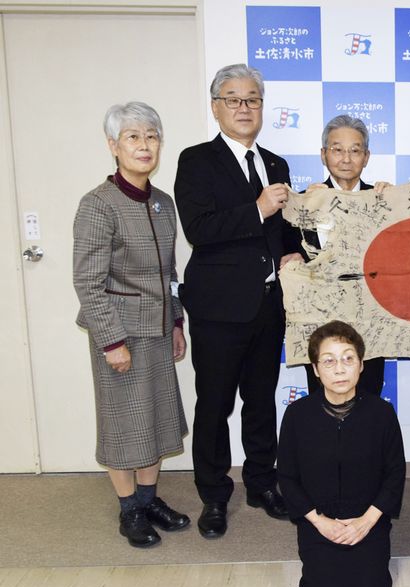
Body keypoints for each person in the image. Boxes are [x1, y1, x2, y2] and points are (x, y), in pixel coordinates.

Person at [174, 63, 303, 538]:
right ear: (216, 107)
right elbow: (200, 230)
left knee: (261, 401)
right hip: (218, 309)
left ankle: (262, 483)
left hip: (269, 305)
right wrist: (257, 209)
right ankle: (213, 494)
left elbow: (284, 228)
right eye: (234, 99)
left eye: (253, 99)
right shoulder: (196, 160)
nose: (244, 107)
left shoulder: (276, 163)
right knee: (213, 404)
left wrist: (291, 250)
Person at [73, 102, 190, 548]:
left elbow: (169, 273)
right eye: (133, 137)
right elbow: (87, 280)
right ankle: (129, 511)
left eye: (151, 136)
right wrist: (111, 341)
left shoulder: (163, 203)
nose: (144, 145)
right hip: (119, 336)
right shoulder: (98, 205)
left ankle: (149, 498)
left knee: (156, 419)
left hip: (159, 330)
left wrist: (177, 322)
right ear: (113, 146)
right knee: (123, 423)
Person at [278, 321, 405, 587]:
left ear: (361, 366)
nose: (339, 369)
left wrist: (367, 521)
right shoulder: (298, 415)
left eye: (348, 359)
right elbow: (287, 477)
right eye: (329, 360)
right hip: (318, 521)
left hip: (367, 521)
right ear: (315, 368)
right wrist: (319, 522)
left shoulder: (381, 413)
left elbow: (395, 473)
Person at [300, 115, 388, 397]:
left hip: (371, 325)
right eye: (337, 149)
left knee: (369, 405)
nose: (346, 158)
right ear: (324, 155)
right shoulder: (302, 204)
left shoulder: (384, 202)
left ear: (367, 156)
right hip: (319, 326)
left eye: (355, 150)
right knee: (321, 409)